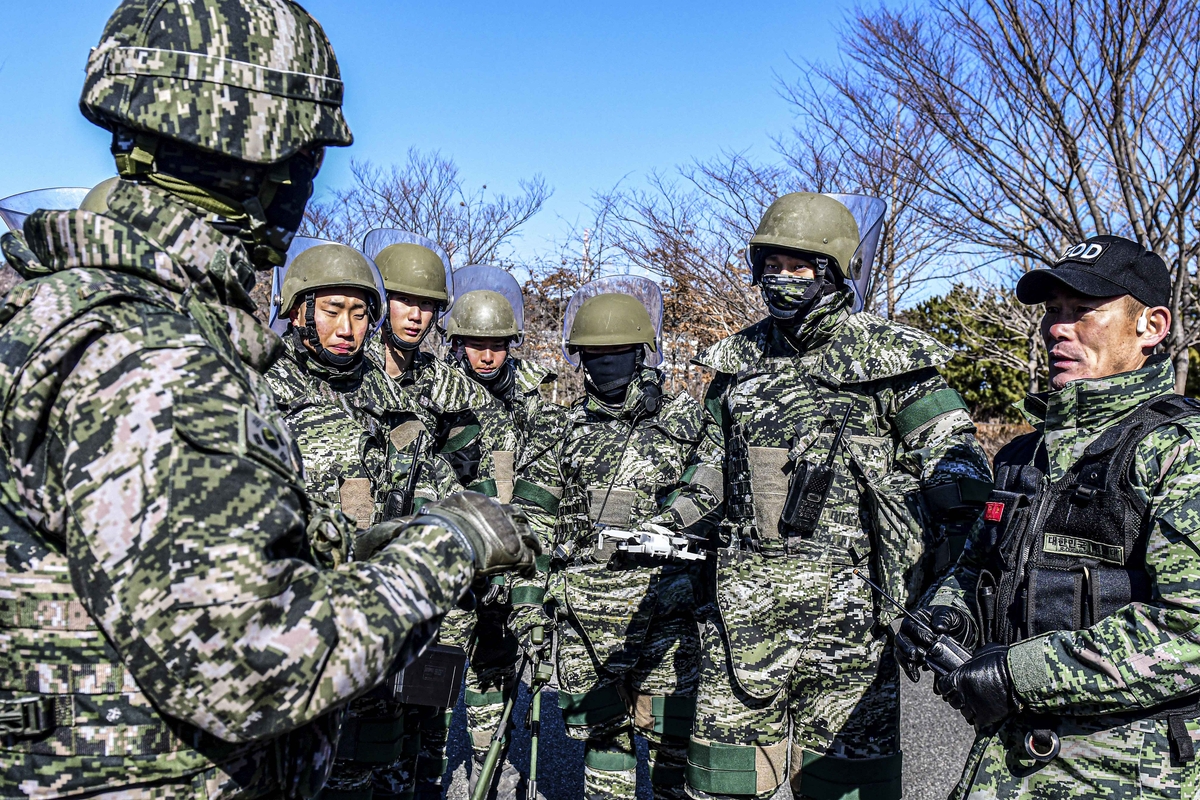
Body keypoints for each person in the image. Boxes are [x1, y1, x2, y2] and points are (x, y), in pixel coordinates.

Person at [0, 1, 537, 796]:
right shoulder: (152, 357)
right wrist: (450, 544)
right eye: (311, 156)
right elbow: (251, 667)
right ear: (268, 155)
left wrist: (359, 544)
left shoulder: (84, 311)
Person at [662, 192, 992, 799]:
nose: (782, 279)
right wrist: (674, 519)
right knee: (721, 784)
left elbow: (954, 452)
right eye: (773, 265)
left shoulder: (892, 359)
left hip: (854, 627)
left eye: (801, 266)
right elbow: (710, 464)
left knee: (845, 788)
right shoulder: (736, 364)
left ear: (835, 270)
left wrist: (953, 530)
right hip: (741, 616)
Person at [901, 234, 1200, 799]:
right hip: (1009, 762)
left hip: (1127, 773)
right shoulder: (1023, 454)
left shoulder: (1179, 449)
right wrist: (943, 615)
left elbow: (1191, 628)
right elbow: (975, 568)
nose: (1058, 329)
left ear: (1152, 327)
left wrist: (1018, 675)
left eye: (1085, 312)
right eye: (1053, 312)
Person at [512, 278, 706, 800]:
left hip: (668, 612)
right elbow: (533, 518)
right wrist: (527, 604)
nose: (606, 363)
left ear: (642, 352)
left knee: (673, 739)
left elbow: (714, 489)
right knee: (604, 741)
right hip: (587, 617)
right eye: (593, 354)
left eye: (619, 352)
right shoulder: (560, 428)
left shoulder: (685, 420)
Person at [440, 267, 566, 798]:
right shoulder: (436, 394)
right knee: (433, 680)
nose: (486, 357)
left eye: (497, 345)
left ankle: (488, 769)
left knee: (494, 669)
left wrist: (523, 565)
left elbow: (544, 483)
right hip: (450, 558)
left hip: (510, 553)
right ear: (458, 343)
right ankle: (424, 768)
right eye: (475, 345)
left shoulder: (533, 401)